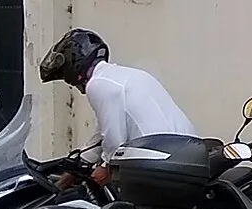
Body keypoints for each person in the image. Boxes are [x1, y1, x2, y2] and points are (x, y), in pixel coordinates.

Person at [38, 29, 194, 182]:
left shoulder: (98, 84)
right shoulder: (121, 76)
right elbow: (102, 134)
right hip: (183, 155)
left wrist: (106, 167)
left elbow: (114, 139)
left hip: (159, 162)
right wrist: (81, 162)